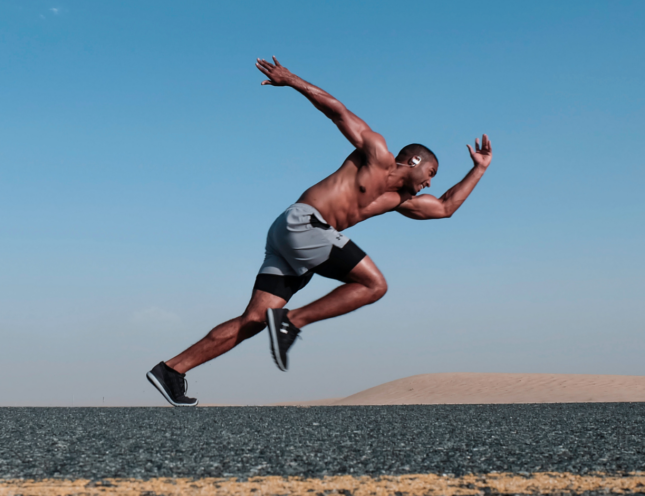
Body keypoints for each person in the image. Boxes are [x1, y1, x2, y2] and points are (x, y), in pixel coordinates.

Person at [146, 57, 492, 406]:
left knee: (253, 320)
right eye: (431, 172)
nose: (431, 181)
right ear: (415, 162)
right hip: (303, 223)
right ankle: (292, 322)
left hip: (294, 241)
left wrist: (478, 170)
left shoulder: (398, 199)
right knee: (375, 285)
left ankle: (172, 370)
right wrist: (291, 79)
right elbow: (337, 111)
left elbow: (446, 207)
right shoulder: (376, 153)